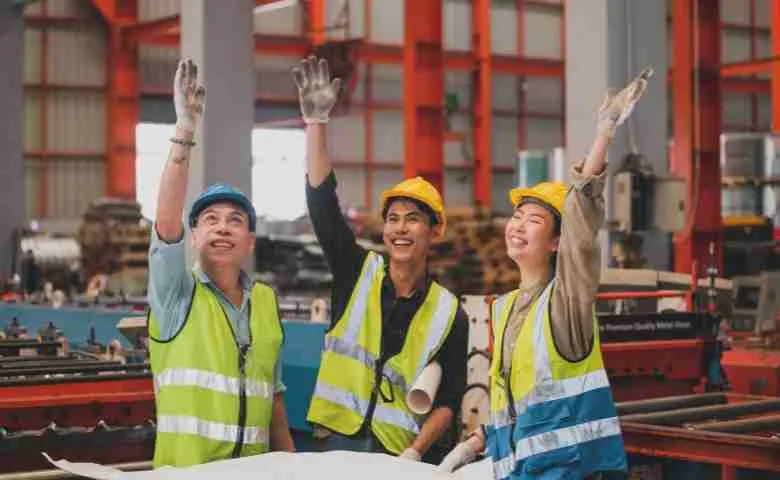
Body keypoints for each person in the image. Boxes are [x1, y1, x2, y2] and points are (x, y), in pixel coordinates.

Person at [439, 68, 654, 478]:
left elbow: (582, 223)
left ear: (557, 242)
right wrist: (477, 440)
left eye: (534, 220)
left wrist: (604, 134)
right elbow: (522, 401)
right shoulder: (503, 310)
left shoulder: (565, 302)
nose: (517, 225)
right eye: (516, 216)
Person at [292, 56, 468, 463]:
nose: (401, 229)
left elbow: (450, 399)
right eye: (393, 219)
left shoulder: (449, 313)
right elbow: (322, 205)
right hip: (333, 442)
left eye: (413, 220)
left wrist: (416, 451)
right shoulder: (358, 272)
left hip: (396, 452)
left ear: (434, 231)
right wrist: (316, 123)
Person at [146, 58, 294, 468]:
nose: (222, 228)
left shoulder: (265, 302)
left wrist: (293, 466)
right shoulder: (176, 295)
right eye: (210, 220)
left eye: (235, 221)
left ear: (249, 242)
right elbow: (165, 221)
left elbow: (273, 398)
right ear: (193, 237)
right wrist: (184, 133)